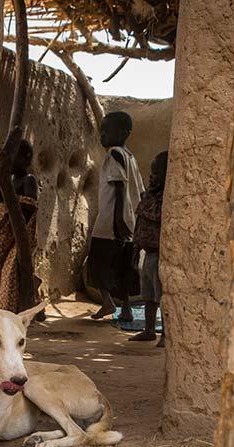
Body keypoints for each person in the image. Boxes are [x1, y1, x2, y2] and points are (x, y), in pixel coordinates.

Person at [88, 112, 145, 321]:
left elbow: (119, 187)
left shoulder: (113, 153)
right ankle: (127, 308)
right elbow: (141, 191)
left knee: (98, 261)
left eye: (106, 130)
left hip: (111, 221)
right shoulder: (131, 156)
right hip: (128, 221)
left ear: (123, 133)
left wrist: (118, 220)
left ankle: (107, 301)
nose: (102, 134)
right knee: (124, 265)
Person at [0, 139, 44, 319]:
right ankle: (36, 304)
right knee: (5, 268)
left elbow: (29, 207)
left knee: (13, 267)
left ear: (25, 158)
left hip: (20, 233)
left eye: (13, 157)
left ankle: (24, 306)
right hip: (6, 232)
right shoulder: (11, 179)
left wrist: (10, 201)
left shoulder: (28, 180)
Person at [130, 151, 168, 346]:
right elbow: (139, 225)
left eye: (156, 173)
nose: (151, 177)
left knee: (161, 296)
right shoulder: (147, 196)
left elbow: (157, 217)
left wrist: (145, 207)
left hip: (161, 254)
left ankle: (165, 335)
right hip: (148, 252)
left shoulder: (165, 200)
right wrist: (136, 250)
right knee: (148, 296)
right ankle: (149, 329)